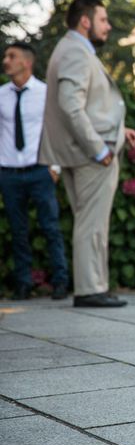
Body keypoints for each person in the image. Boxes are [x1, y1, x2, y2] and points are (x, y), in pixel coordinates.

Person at [39, 0, 135, 308]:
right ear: (85, 20)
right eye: (103, 20)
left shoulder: (72, 49)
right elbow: (70, 107)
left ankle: (94, 285)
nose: (108, 26)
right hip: (88, 154)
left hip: (82, 150)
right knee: (91, 224)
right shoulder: (75, 51)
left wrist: (119, 131)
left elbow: (86, 107)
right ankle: (89, 288)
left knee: (91, 222)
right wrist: (99, 149)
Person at [0, 42, 68, 301]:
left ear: (26, 62)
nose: (6, 60)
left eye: (12, 56)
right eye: (6, 55)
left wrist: (56, 166)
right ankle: (23, 284)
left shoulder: (45, 93)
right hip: (9, 173)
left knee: (51, 227)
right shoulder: (1, 95)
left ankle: (60, 281)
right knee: (18, 231)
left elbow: (57, 129)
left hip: (40, 169)